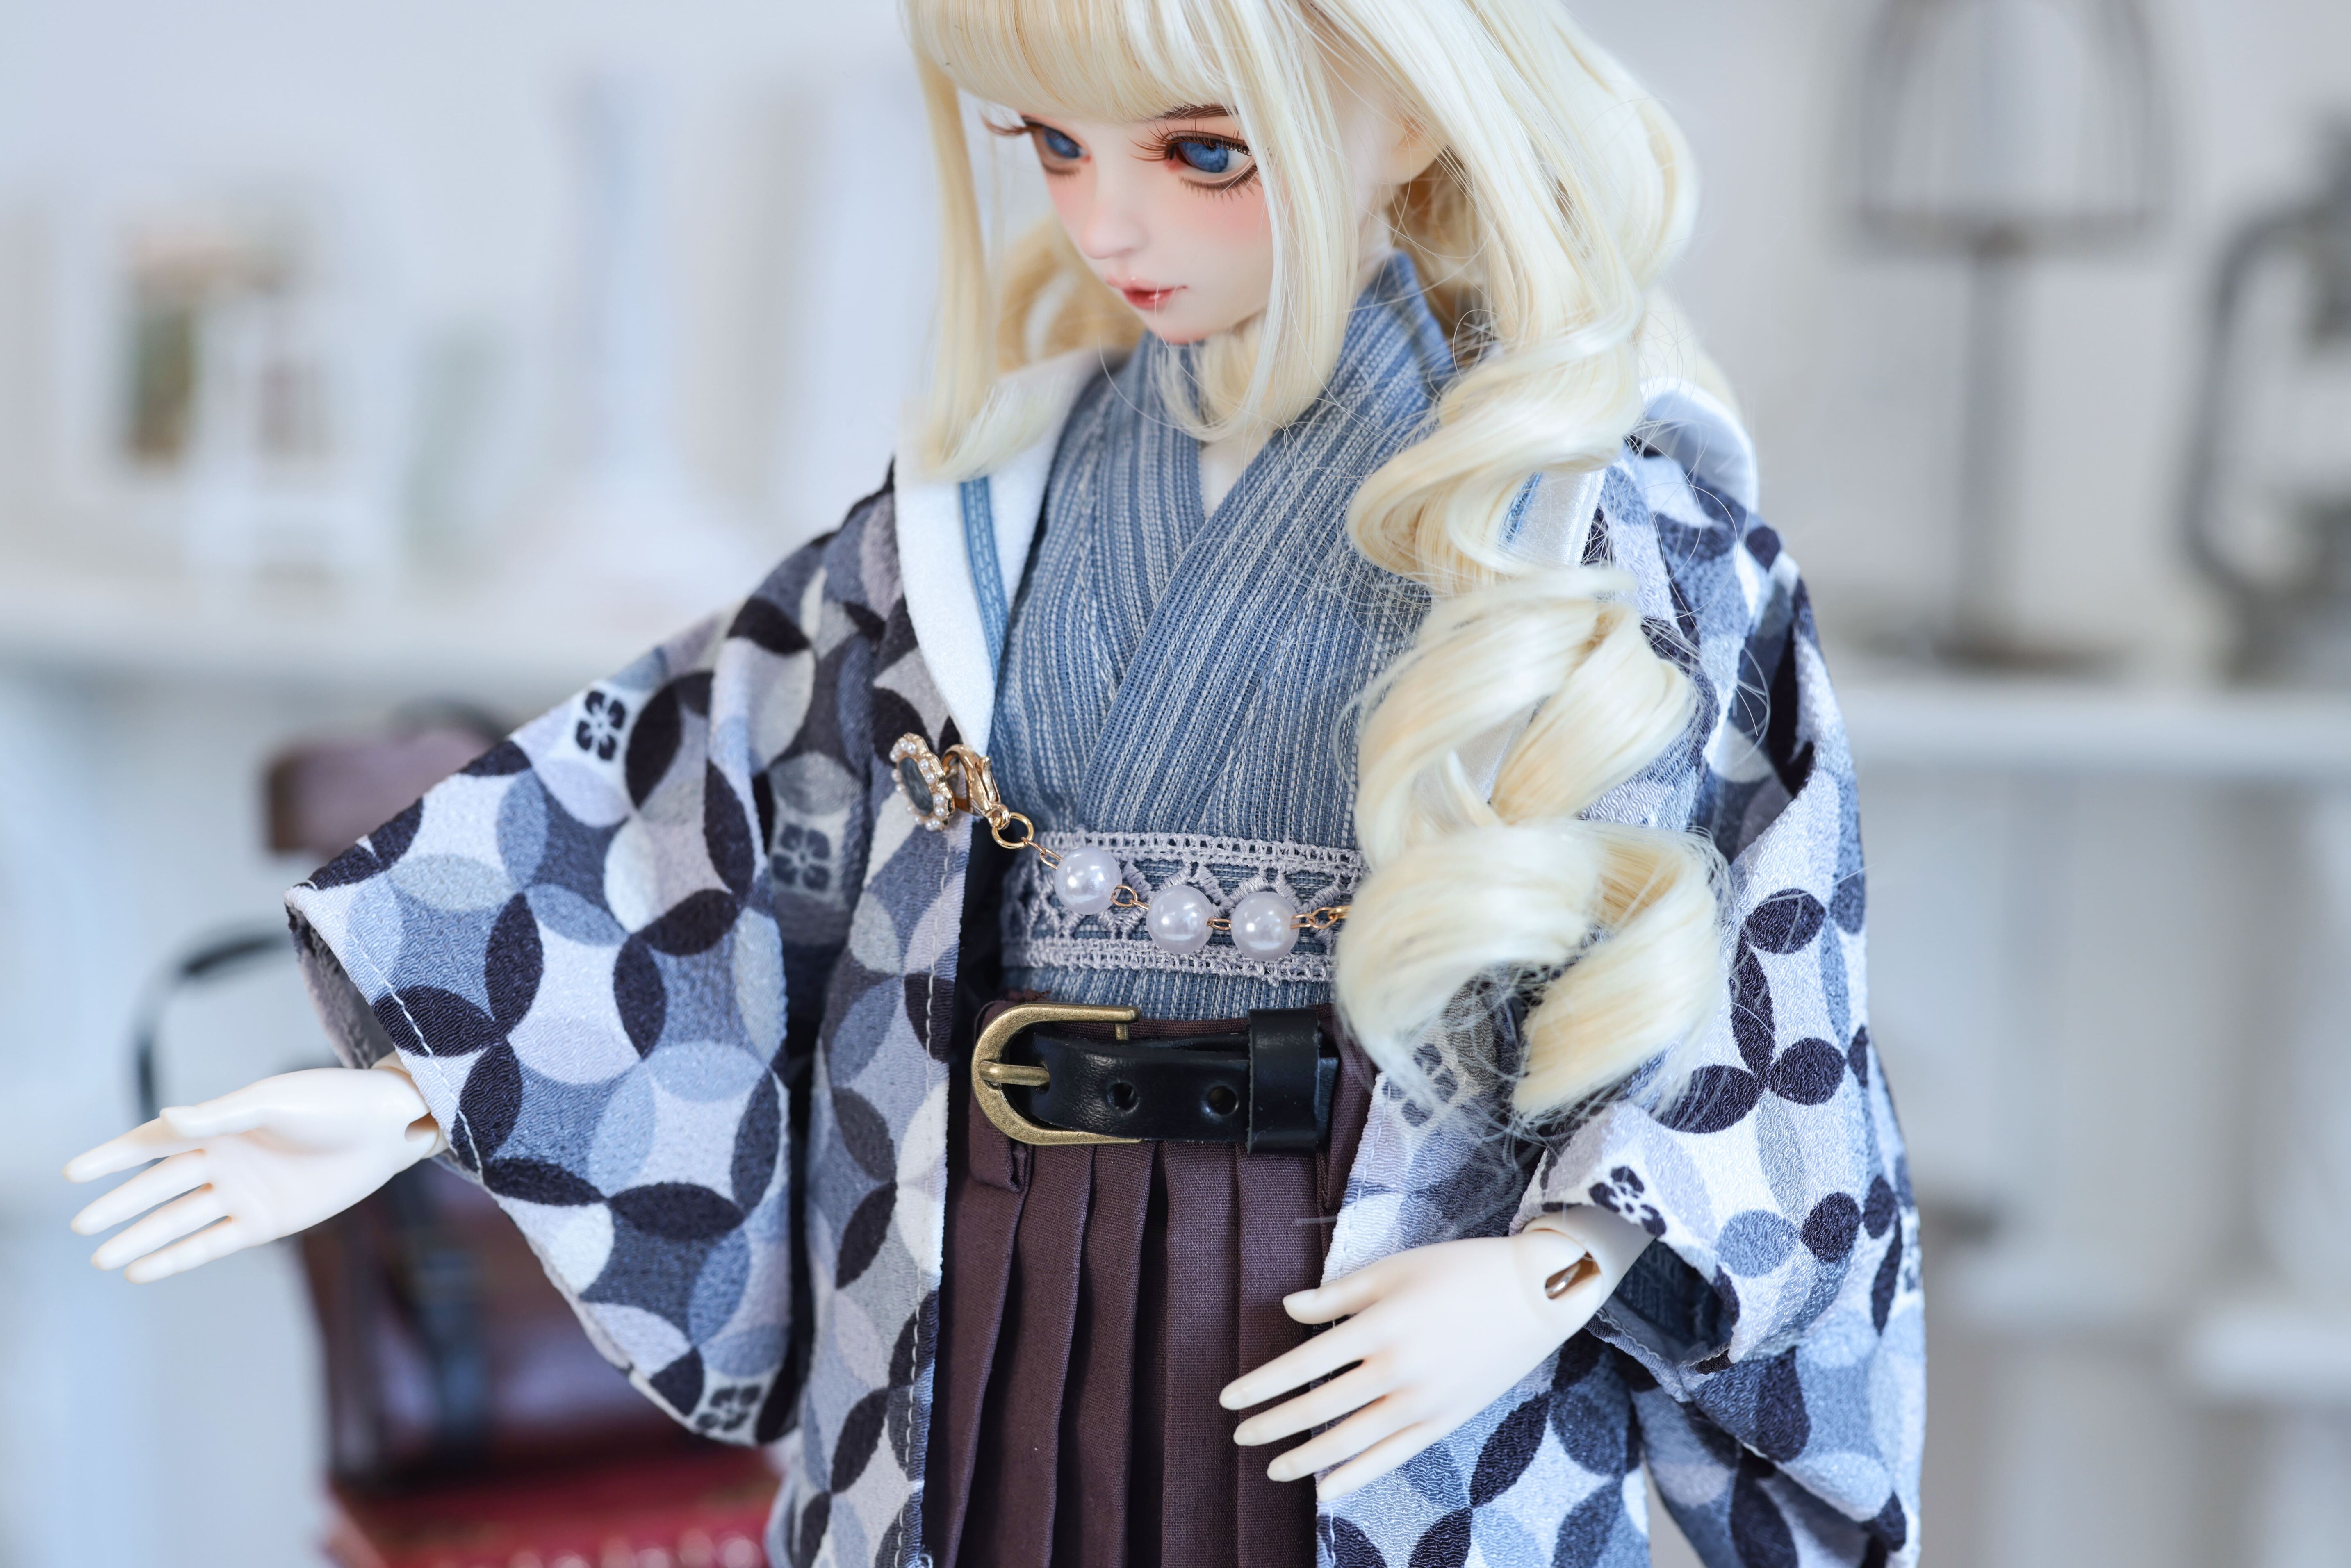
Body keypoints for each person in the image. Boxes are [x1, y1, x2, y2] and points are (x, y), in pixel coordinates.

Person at [65, 2, 1923, 1564]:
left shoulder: (1597, 525)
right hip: (982, 1279)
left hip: (1382, 1291)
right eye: (1055, 146)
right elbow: (699, 801)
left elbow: (1763, 963)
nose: (1111, 219)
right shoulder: (983, 510)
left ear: (1412, 110)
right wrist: (410, 1088)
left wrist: (1554, 1273)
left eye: (1202, 152)